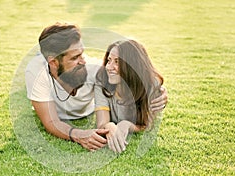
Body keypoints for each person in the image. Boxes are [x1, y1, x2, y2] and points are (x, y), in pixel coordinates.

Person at [25, 22, 168, 151]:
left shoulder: (96, 70)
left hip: (87, 112)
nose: (83, 61)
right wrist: (80, 135)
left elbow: (133, 69)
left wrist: (159, 91)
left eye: (82, 53)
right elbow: (51, 121)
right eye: (75, 57)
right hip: (56, 110)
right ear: (54, 63)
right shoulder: (36, 72)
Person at [95, 39, 165, 153]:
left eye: (117, 62)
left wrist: (127, 125)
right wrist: (109, 126)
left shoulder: (151, 86)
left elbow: (148, 124)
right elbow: (101, 123)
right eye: (109, 60)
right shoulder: (102, 81)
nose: (109, 67)